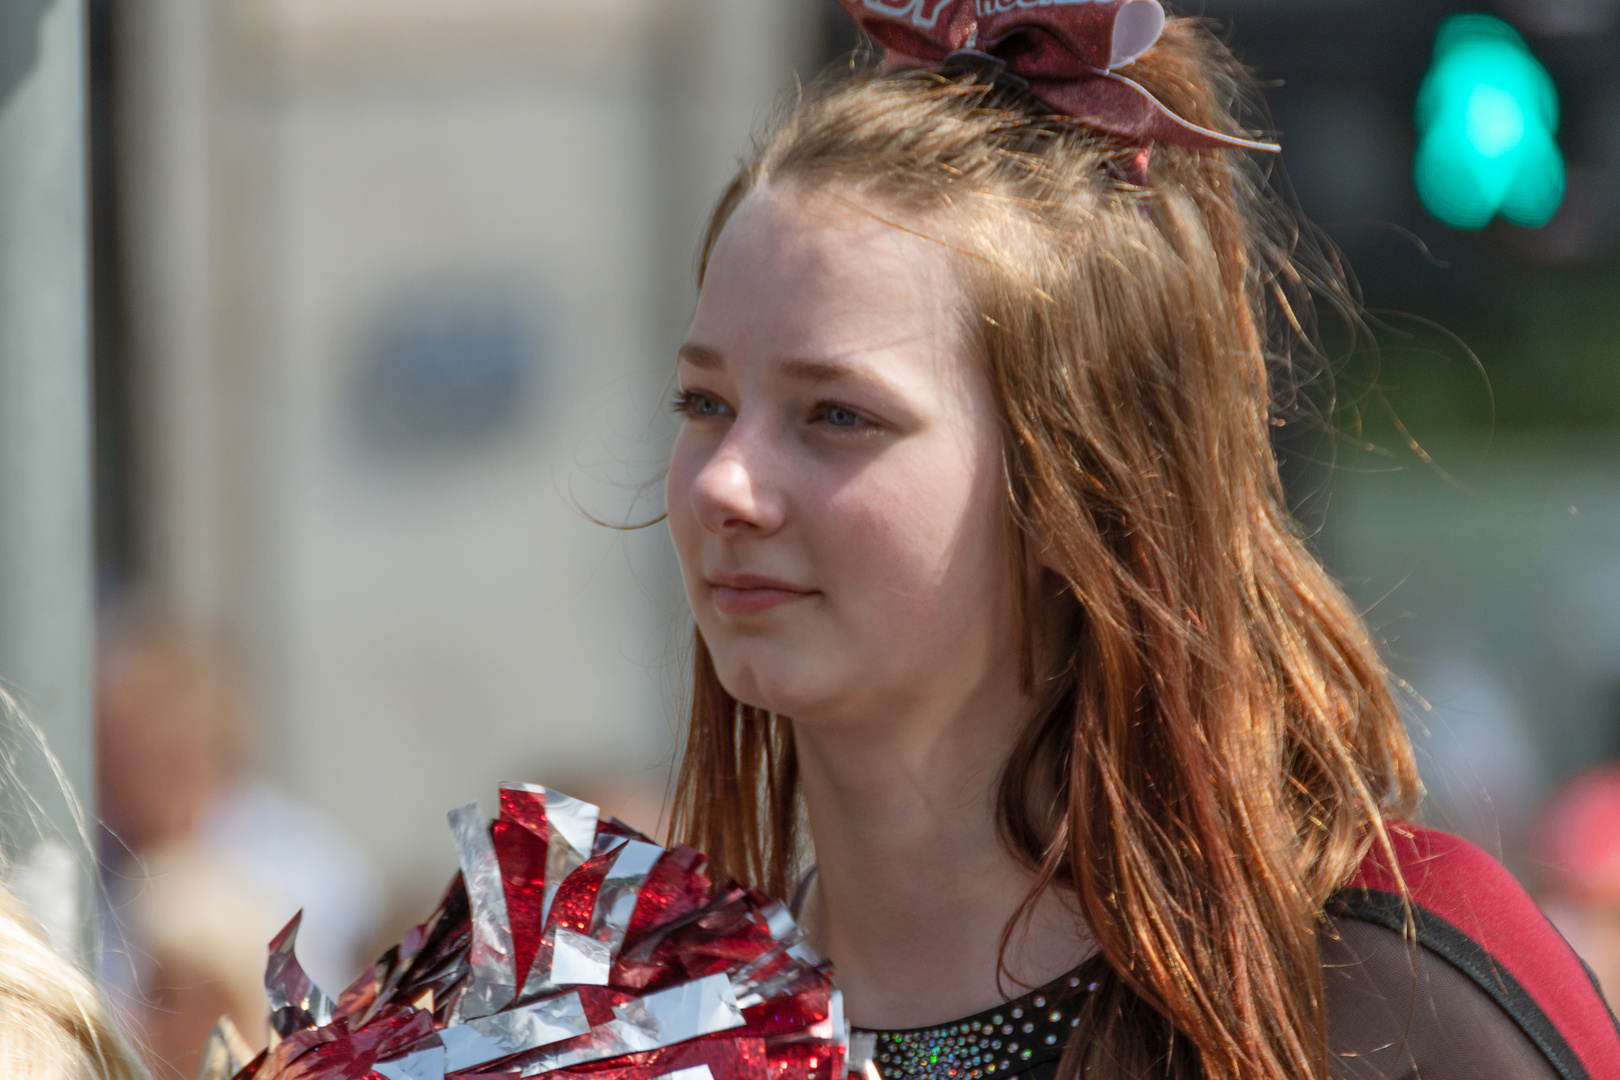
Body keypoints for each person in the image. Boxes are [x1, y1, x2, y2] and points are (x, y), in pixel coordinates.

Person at [657, 2, 1619, 1078]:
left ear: (1084, 485)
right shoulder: (628, 1028)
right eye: (702, 403)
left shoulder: (1386, 983)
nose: (726, 484)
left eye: (839, 416)